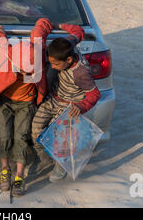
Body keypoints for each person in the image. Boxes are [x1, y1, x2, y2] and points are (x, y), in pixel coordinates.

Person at [0, 17, 53, 197]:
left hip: (26, 103)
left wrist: (49, 23)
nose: (26, 74)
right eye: (22, 71)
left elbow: (40, 31)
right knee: (4, 135)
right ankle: (5, 169)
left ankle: (19, 175)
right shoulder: (4, 52)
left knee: (21, 137)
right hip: (5, 101)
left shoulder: (37, 49)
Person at [28, 24, 101, 183]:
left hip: (69, 107)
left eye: (55, 65)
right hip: (53, 100)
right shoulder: (67, 45)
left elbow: (95, 94)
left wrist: (80, 107)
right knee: (35, 129)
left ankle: (61, 164)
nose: (52, 67)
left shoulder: (80, 73)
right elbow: (78, 32)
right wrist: (61, 25)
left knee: (60, 139)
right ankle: (44, 158)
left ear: (69, 59)